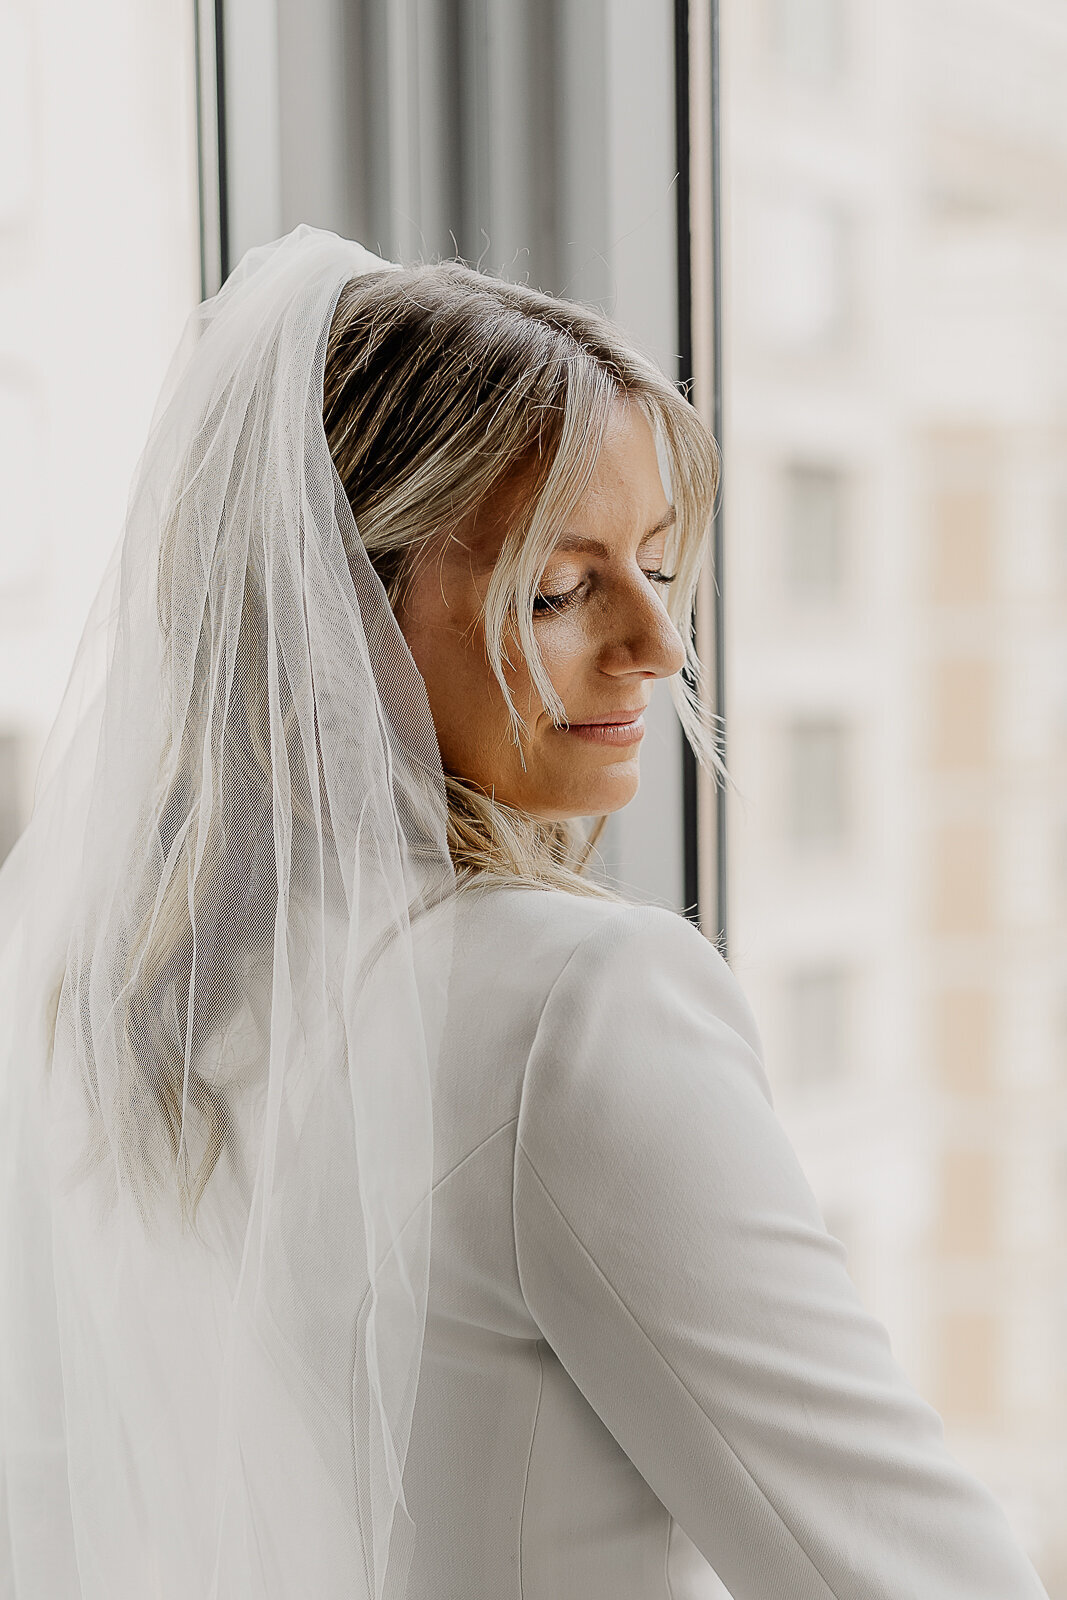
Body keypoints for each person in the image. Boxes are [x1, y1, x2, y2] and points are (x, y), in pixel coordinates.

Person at [0, 226, 1049, 1600]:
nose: (660, 647)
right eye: (558, 587)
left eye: (661, 567)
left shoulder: (117, 1002)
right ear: (335, 603)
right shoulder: (577, 1005)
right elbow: (912, 1574)